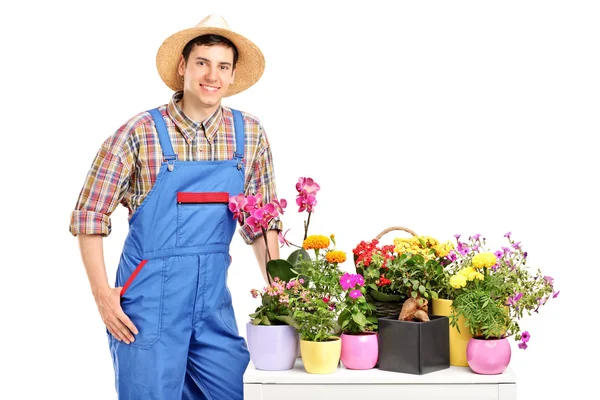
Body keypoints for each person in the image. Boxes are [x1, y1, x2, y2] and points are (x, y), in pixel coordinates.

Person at [69, 14, 282, 400]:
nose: (211, 76)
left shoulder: (249, 134)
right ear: (183, 66)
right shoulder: (141, 133)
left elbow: (261, 220)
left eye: (222, 66)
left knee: (236, 390)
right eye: (202, 62)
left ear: (232, 75)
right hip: (148, 307)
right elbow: (89, 215)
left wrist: (280, 291)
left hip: (214, 304)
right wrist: (103, 295)